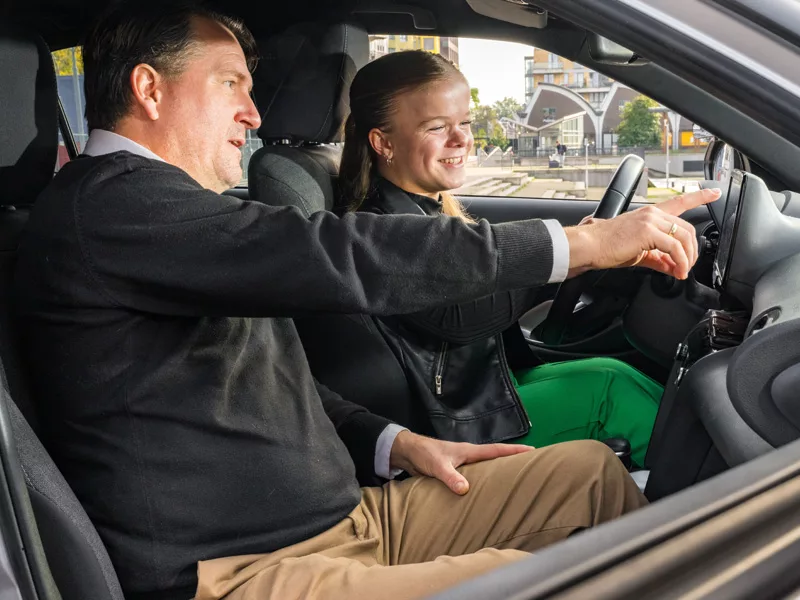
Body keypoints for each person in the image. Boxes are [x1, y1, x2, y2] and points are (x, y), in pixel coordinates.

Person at [13, 4, 717, 600]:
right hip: (244, 569)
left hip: (345, 519)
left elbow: (267, 376)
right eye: (230, 84)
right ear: (150, 89)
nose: (253, 113)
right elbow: (342, 253)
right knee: (545, 581)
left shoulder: (166, 213)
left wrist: (392, 442)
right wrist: (580, 247)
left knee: (586, 473)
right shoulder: (112, 209)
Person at [333, 50, 687, 468]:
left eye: (464, 122)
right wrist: (583, 251)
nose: (462, 139)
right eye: (436, 127)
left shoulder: (422, 208)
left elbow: (485, 273)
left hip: (477, 387)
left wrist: (590, 251)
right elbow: (460, 316)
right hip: (452, 423)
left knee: (614, 373)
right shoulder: (383, 229)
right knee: (611, 393)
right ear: (383, 142)